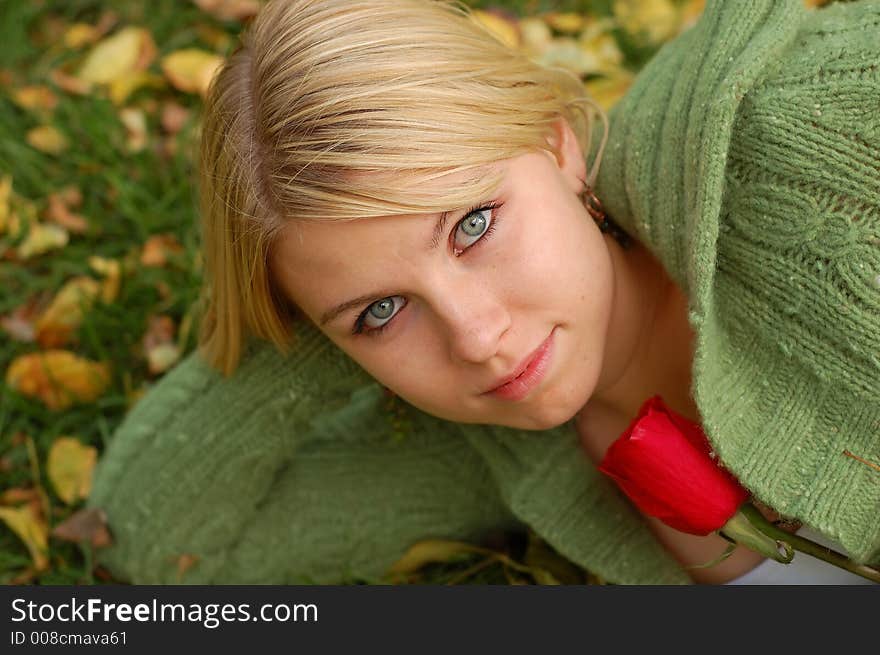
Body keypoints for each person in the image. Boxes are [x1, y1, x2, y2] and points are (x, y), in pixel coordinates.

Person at [87, 0, 880, 584]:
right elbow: (159, 544)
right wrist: (306, 327)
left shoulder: (804, 136)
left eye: (472, 225)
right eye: (383, 311)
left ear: (555, 142)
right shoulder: (497, 439)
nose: (474, 336)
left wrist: (369, 304)